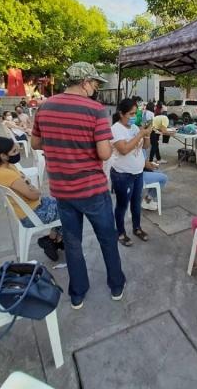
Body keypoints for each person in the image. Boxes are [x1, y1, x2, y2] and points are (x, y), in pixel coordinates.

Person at [31, 61, 126, 310]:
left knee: (73, 243)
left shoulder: (45, 106)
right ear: (84, 82)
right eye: (94, 83)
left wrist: (60, 143)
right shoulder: (96, 110)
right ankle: (116, 285)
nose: (95, 88)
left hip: (63, 191)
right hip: (93, 191)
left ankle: (77, 293)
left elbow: (35, 143)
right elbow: (105, 154)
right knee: (107, 238)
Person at [0, 137, 63, 261]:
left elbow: (26, 182)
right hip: (32, 214)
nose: (17, 153)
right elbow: (32, 194)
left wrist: (31, 187)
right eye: (14, 151)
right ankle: (54, 240)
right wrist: (36, 190)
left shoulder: (6, 168)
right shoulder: (7, 174)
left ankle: (53, 239)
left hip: (32, 207)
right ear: (3, 156)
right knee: (71, 210)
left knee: (65, 202)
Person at [110, 98, 153, 246]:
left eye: (136, 113)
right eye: (131, 114)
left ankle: (137, 228)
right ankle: (120, 232)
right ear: (121, 114)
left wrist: (146, 134)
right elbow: (124, 150)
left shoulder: (134, 127)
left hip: (138, 173)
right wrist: (140, 135)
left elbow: (145, 147)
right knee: (122, 205)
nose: (134, 117)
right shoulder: (116, 129)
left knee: (136, 203)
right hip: (123, 175)